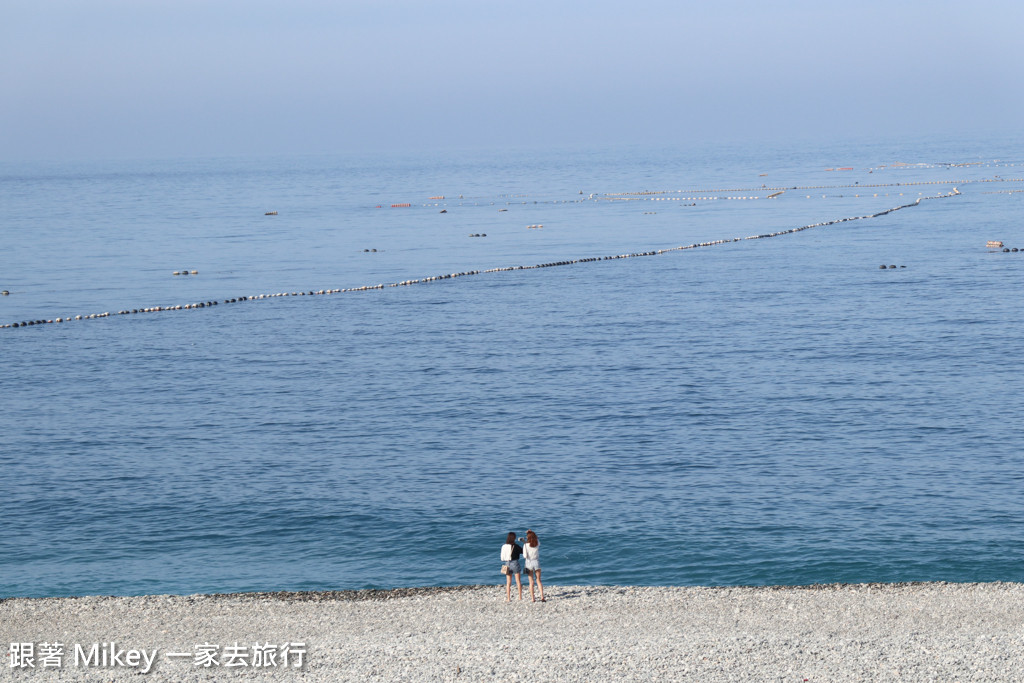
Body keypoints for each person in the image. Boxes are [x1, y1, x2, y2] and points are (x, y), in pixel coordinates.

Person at [523, 529, 545, 602]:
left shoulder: (525, 545)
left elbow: (524, 556)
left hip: (529, 562)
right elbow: (537, 538)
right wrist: (531, 532)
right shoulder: (537, 543)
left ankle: (533, 598)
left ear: (527, 538)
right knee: (538, 580)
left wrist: (528, 533)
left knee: (531, 582)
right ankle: (542, 597)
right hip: (536, 562)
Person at [500, 532, 523, 601]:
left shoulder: (504, 546)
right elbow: (523, 551)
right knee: (518, 581)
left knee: (508, 582)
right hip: (515, 563)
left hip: (507, 563)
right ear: (514, 538)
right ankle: (520, 597)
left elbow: (502, 556)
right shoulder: (515, 546)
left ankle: (508, 598)